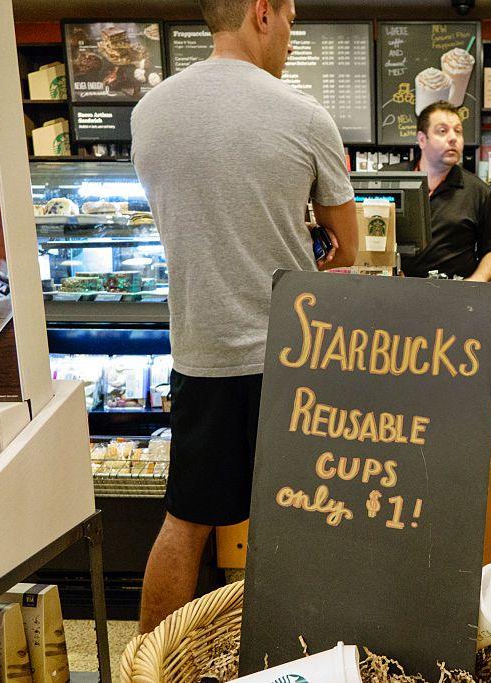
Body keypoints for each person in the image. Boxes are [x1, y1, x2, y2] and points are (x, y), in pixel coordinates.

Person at [130, 0, 358, 634]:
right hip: (293, 358)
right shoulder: (304, 115)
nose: (290, 35)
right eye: (290, 19)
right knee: (304, 523)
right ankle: (299, 662)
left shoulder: (149, 113)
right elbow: (350, 245)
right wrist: (302, 233)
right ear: (262, 13)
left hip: (199, 353)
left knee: (185, 522)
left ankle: (149, 665)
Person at [385, 102, 491, 281]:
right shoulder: (389, 179)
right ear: (422, 139)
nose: (453, 138)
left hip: (453, 298)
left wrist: (473, 284)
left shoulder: (477, 191)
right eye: (442, 131)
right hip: (393, 295)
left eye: (458, 131)